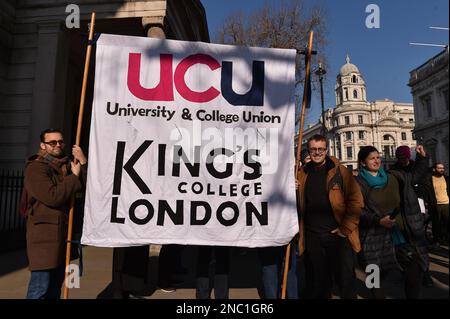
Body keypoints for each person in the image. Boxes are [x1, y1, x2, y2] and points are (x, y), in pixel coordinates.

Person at [356, 145, 429, 299]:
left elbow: (414, 177)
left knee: (414, 273)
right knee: (374, 279)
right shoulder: (357, 184)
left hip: (400, 236)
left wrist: (422, 158)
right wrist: (378, 221)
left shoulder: (394, 176)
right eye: (371, 158)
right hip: (374, 239)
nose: (376, 161)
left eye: (378, 157)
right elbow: (356, 210)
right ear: (363, 162)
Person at [296, 134, 363, 299]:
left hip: (338, 237)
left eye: (321, 149)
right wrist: (291, 187)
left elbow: (356, 201)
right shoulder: (302, 173)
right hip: (312, 237)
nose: (317, 152)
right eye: (313, 149)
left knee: (345, 283)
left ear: (326, 150)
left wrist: (345, 229)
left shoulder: (340, 171)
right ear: (308, 151)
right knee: (318, 284)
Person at [24, 128, 87, 299]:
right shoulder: (36, 168)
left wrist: (83, 162)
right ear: (42, 145)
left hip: (64, 236)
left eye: (60, 141)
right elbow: (52, 197)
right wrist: (74, 178)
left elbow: (91, 189)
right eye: (52, 142)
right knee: (40, 288)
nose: (57, 145)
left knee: (55, 288)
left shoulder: (68, 165)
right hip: (44, 238)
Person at [424, 163, 449, 245]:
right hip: (435, 205)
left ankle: (446, 239)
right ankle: (437, 241)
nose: (442, 170)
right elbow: (426, 192)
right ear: (434, 169)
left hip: (446, 203)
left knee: (447, 223)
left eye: (443, 168)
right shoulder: (429, 179)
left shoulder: (446, 178)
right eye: (439, 168)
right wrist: (426, 201)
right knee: (436, 223)